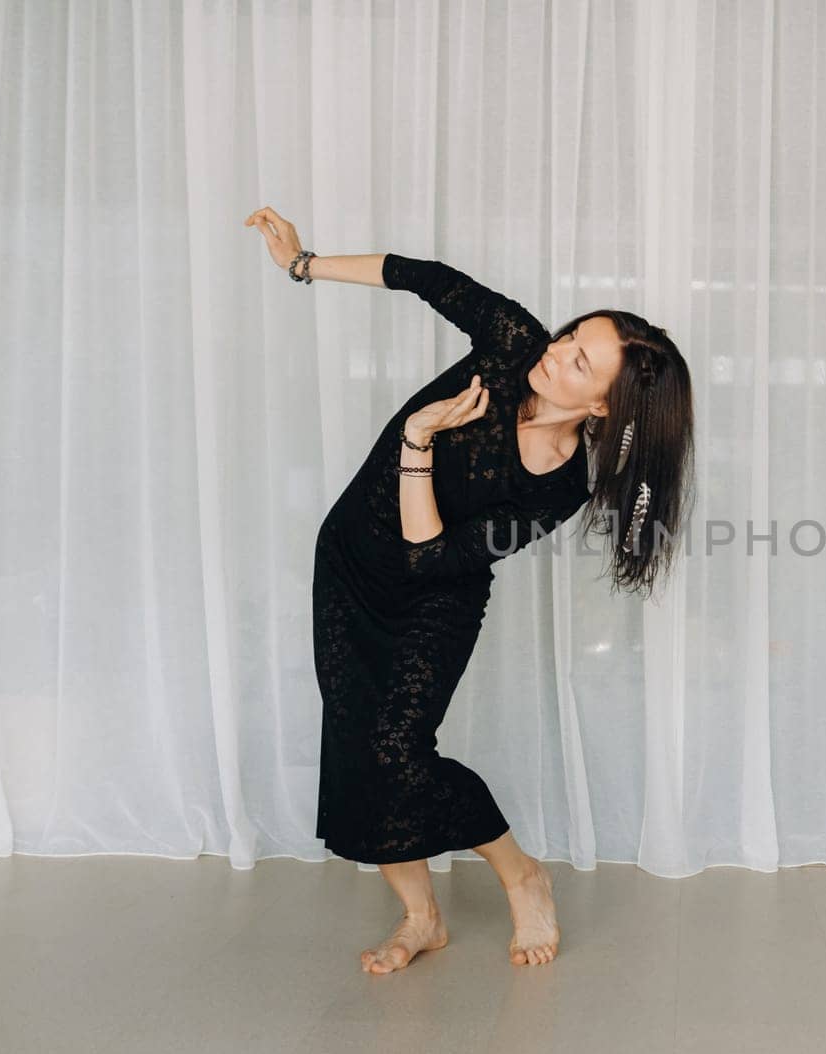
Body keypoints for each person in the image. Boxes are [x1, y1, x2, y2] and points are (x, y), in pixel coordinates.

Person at [244, 207, 694, 974]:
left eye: (581, 363)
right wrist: (300, 263)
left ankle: (522, 872)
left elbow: (428, 555)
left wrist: (419, 439)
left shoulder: (561, 487)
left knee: (399, 751)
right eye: (569, 336)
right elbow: (419, 275)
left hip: (434, 599)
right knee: (357, 747)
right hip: (350, 561)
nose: (556, 354)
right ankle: (421, 917)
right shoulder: (511, 342)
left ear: (603, 409)